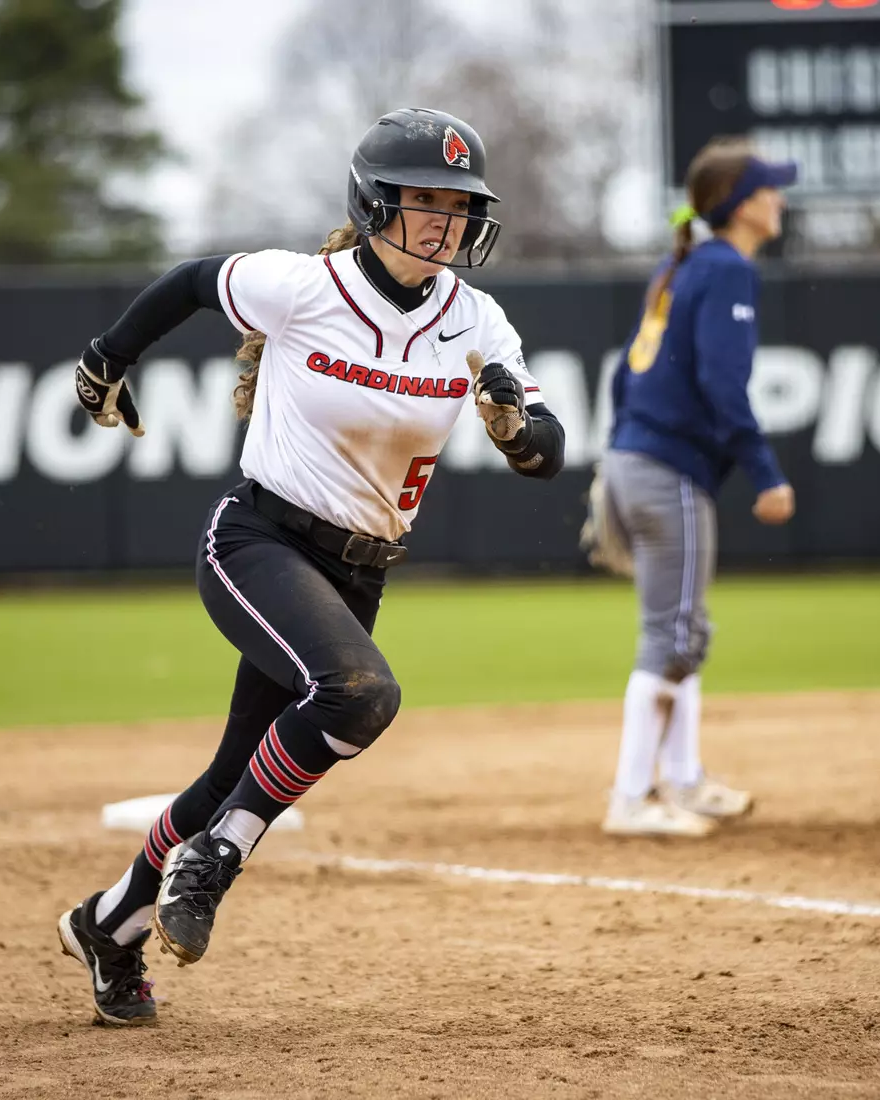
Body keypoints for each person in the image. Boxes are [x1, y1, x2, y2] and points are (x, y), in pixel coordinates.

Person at [54, 107, 565, 1026]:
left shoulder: (475, 317)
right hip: (258, 540)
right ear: (373, 203)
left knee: (230, 774)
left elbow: (548, 449)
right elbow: (188, 282)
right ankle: (213, 862)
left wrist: (518, 429)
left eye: (460, 204)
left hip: (359, 573)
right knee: (361, 694)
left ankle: (109, 927)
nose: (446, 221)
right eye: (425, 200)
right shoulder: (304, 286)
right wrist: (105, 359)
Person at [595, 137, 796, 838]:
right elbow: (722, 384)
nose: (780, 200)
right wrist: (765, 474)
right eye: (770, 189)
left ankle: (683, 780)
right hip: (666, 468)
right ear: (742, 206)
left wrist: (621, 452)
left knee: (684, 630)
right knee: (672, 635)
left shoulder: (680, 264)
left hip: (636, 459)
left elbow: (625, 375)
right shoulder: (724, 270)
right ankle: (631, 797)